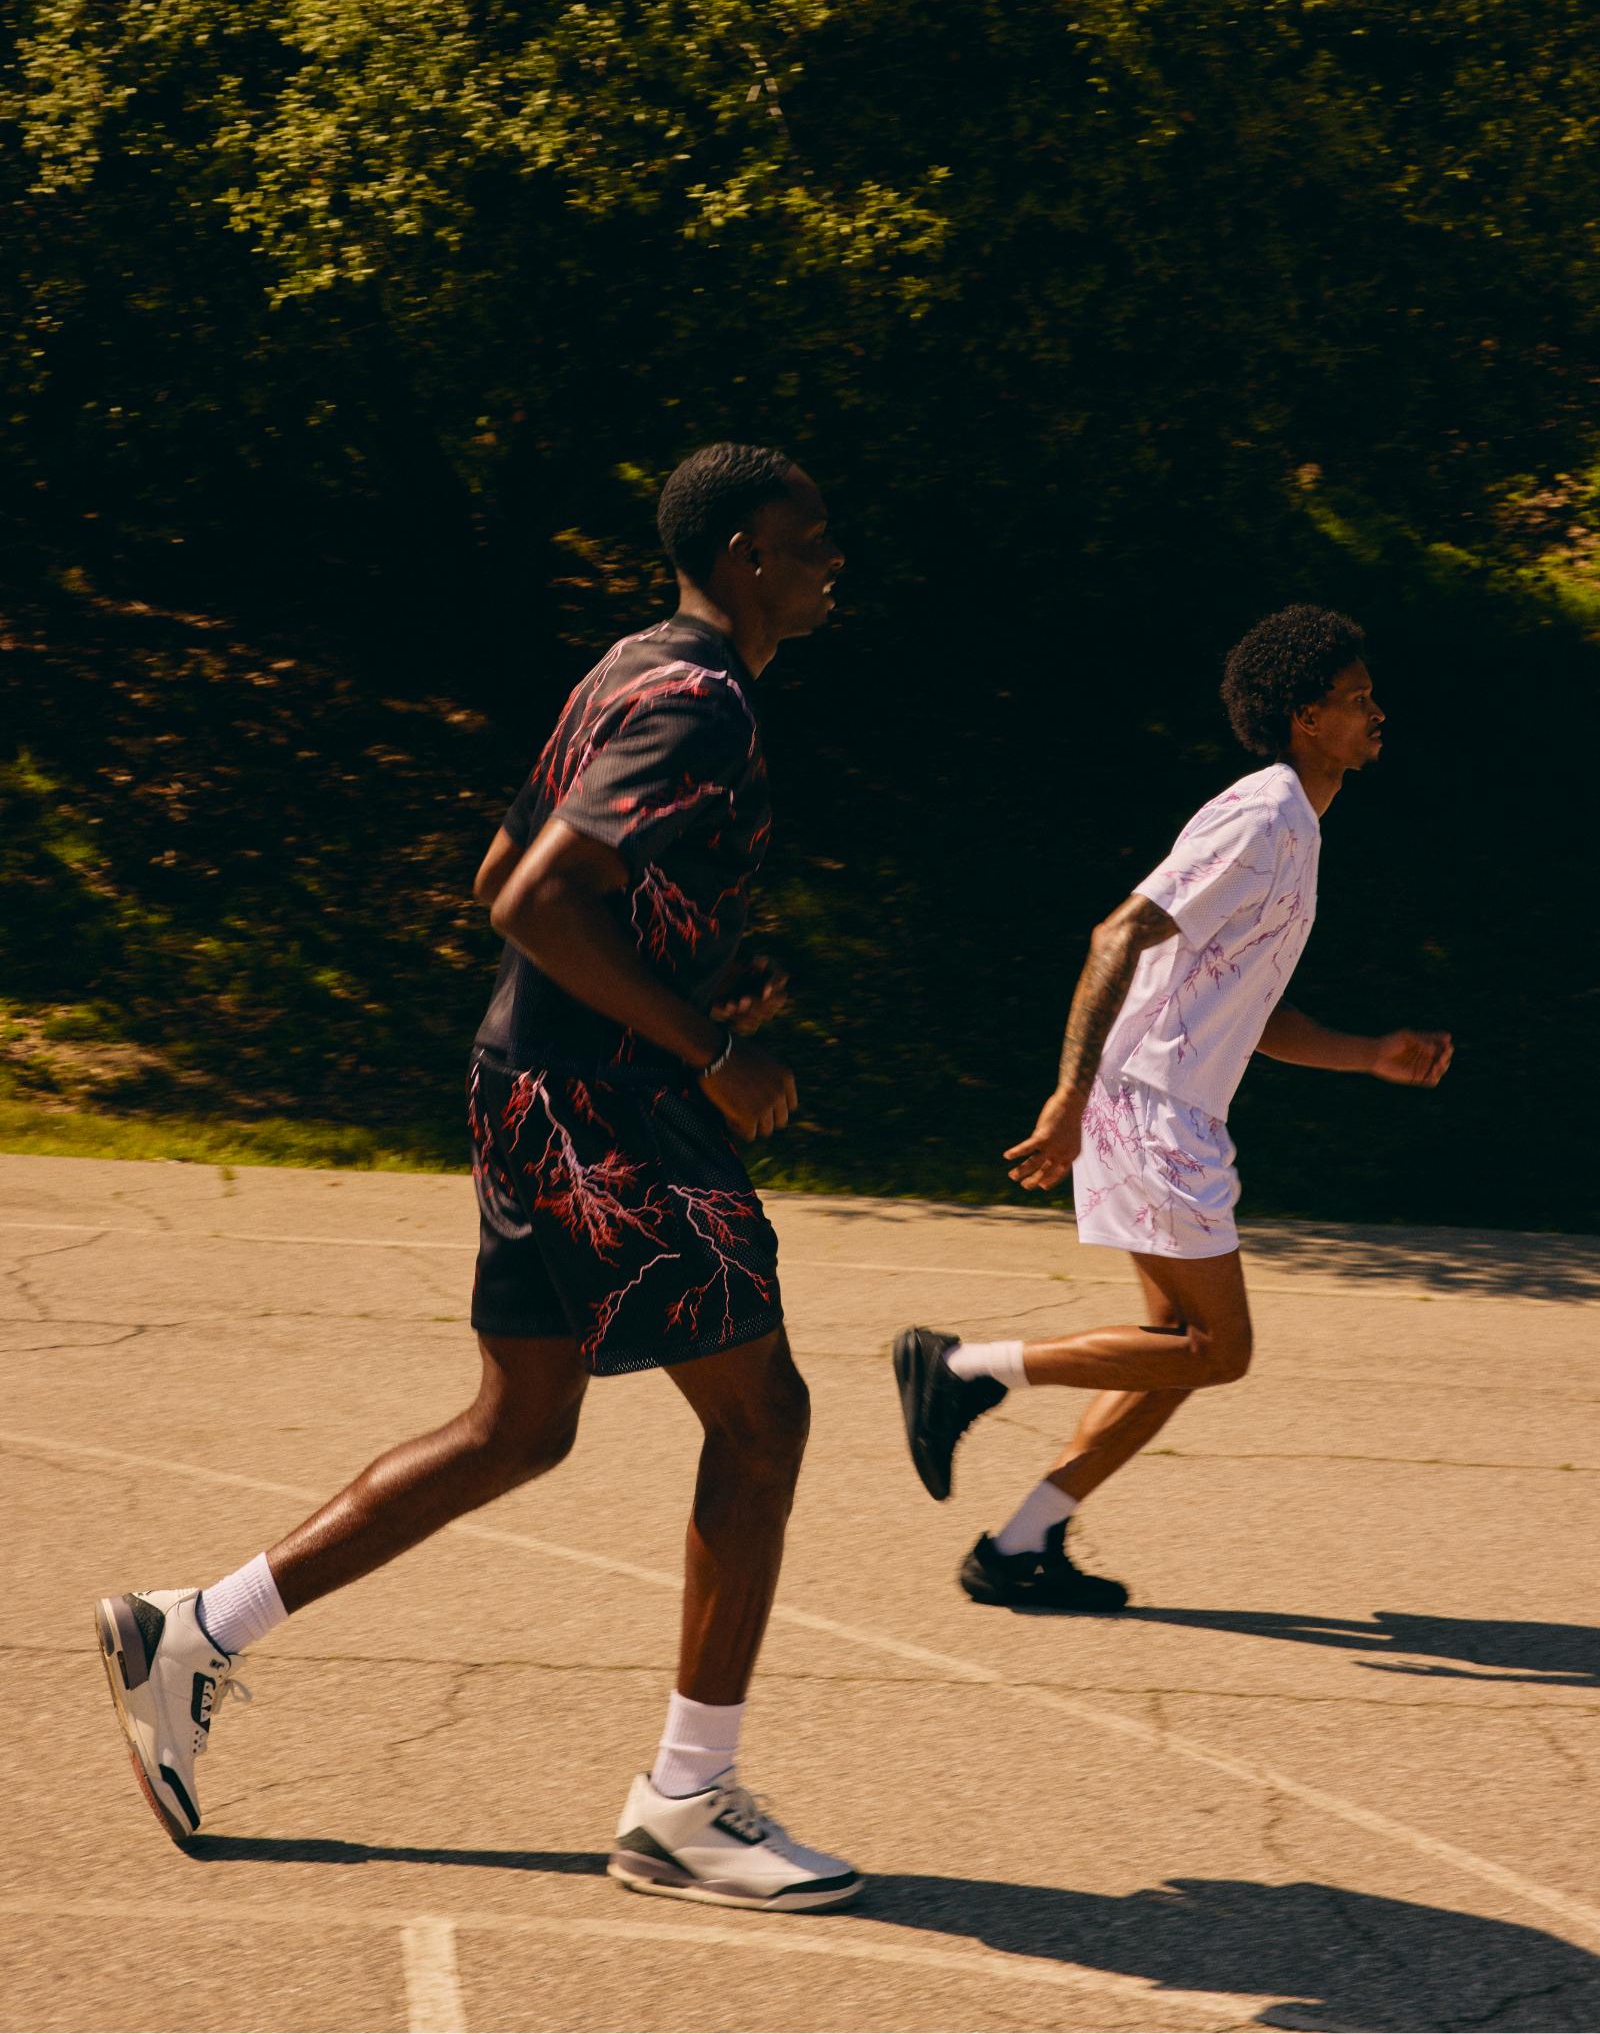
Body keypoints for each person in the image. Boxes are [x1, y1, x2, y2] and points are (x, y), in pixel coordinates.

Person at [97, 442, 862, 1912]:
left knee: (519, 1429)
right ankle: (686, 1806)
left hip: (533, 1082)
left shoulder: (633, 666)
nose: (832, 559)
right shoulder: (698, 705)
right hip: (606, 1110)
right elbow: (524, 898)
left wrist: (703, 968)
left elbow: (498, 871)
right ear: (743, 557)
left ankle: (193, 1631)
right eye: (808, 538)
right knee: (763, 1420)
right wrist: (705, 1043)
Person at [893, 605, 1453, 1613]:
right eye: (1358, 699)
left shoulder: (1297, 827)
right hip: (1148, 1106)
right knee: (1218, 1349)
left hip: (1165, 1104)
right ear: (1303, 717)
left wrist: (1368, 1054)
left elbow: (1251, 1006)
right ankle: (964, 1370)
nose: (1378, 712)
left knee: (1171, 1357)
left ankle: (1021, 1544)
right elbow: (1118, 935)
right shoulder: (1264, 815)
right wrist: (1070, 1094)